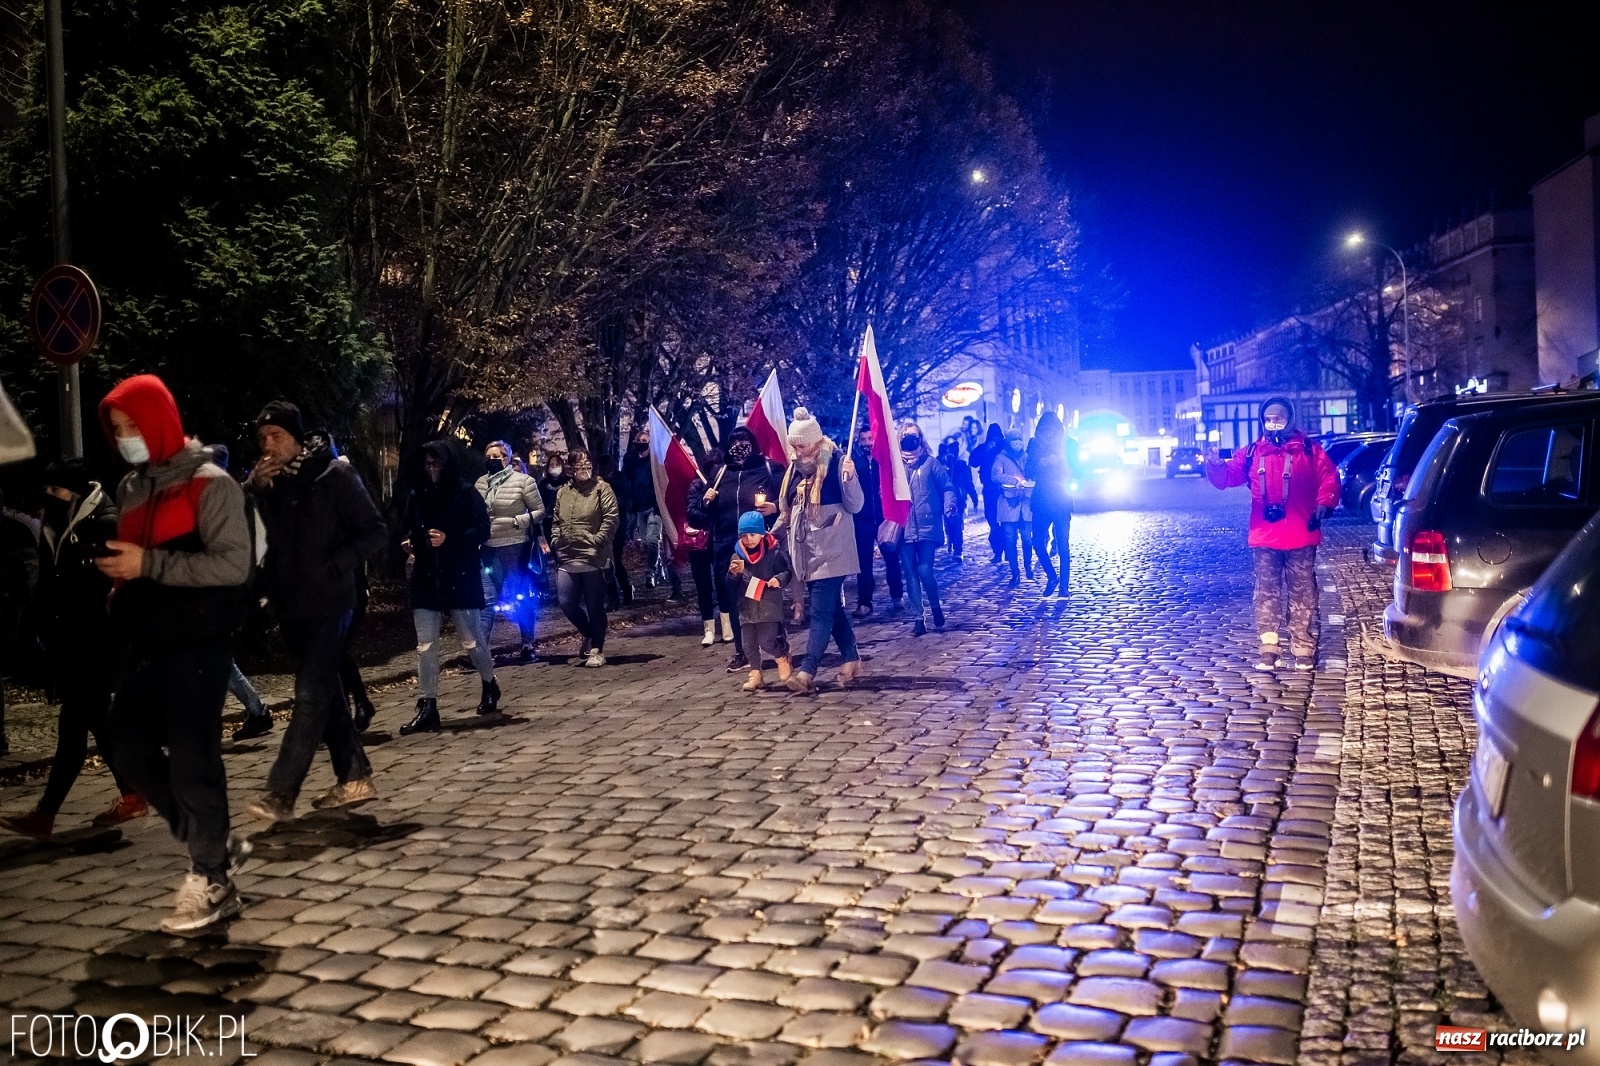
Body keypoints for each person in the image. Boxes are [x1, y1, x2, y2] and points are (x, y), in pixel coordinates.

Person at [95, 374, 253, 933]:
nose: (124, 438)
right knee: (126, 740)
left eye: (132, 426)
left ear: (159, 420)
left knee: (193, 761)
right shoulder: (132, 489)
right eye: (116, 430)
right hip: (148, 644)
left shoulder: (213, 485)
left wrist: (149, 565)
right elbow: (138, 562)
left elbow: (234, 566)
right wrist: (120, 582)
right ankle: (212, 841)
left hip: (200, 641)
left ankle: (212, 880)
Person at [243, 401, 386, 821]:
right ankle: (355, 776)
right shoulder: (267, 485)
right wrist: (256, 491)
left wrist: (333, 565)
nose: (268, 446)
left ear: (298, 439)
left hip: (330, 602)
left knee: (308, 696)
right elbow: (262, 541)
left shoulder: (334, 474)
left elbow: (375, 531)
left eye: (277, 437)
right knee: (325, 695)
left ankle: (281, 791)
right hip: (289, 605)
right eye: (262, 439)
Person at [0, 460, 147, 840]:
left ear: (76, 491)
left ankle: (45, 815)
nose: (49, 498)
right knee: (98, 721)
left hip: (99, 640)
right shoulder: (58, 526)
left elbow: (107, 584)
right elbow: (51, 583)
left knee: (73, 727)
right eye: (46, 491)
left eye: (56, 491)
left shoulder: (102, 522)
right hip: (75, 641)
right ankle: (134, 794)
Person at [1205, 396, 1341, 671]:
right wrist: (1216, 465)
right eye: (1269, 418)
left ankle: (1303, 646)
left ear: (1289, 418)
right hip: (1265, 536)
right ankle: (1269, 647)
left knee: (1303, 592)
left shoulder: (1309, 450)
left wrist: (1324, 503)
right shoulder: (1253, 452)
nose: (1274, 423)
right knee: (1266, 591)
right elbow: (1228, 478)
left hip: (1301, 533)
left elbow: (1329, 478)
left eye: (1279, 418)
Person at [400, 441, 500, 734]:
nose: (431, 470)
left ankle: (489, 682)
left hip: (459, 572)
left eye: (436, 464)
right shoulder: (417, 495)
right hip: (427, 575)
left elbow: (482, 529)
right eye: (427, 464)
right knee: (426, 645)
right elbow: (407, 527)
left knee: (471, 640)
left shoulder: (465, 492)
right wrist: (408, 541)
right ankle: (428, 704)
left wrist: (450, 537)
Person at [774, 407, 864, 693]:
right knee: (832, 610)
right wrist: (771, 530)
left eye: (801, 444)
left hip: (833, 550)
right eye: (794, 445)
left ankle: (808, 671)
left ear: (814, 440)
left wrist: (851, 479)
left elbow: (856, 505)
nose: (797, 450)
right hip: (807, 554)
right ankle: (851, 659)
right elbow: (789, 511)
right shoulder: (794, 470)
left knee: (821, 613)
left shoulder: (837, 462)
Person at [688, 426, 780, 671]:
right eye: (735, 441)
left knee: (764, 595)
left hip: (760, 548)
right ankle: (742, 651)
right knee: (735, 600)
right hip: (728, 547)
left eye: (744, 440)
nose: (740, 445)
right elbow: (697, 514)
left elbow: (790, 499)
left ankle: (776, 641)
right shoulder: (720, 473)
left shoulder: (767, 469)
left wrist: (774, 507)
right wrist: (705, 501)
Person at [476, 439, 544, 664]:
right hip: (488, 548)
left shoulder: (524, 481)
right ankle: (481, 652)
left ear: (507, 458)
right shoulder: (481, 483)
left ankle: (527, 645)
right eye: (489, 456)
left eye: (498, 456)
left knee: (520, 596)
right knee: (487, 599)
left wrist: (518, 521)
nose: (492, 460)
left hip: (515, 546)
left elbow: (539, 511)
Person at [551, 448, 620, 667]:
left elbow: (611, 518)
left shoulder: (602, 489)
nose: (584, 468)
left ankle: (597, 648)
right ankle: (588, 632)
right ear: (570, 469)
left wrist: (598, 540)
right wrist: (556, 541)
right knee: (566, 602)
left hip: (594, 556)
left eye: (587, 463)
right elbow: (555, 522)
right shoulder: (563, 492)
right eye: (578, 465)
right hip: (568, 555)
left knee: (594, 605)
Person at [897, 423, 957, 635]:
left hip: (928, 524)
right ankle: (918, 619)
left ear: (920, 438)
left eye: (913, 436)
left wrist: (949, 505)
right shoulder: (896, 466)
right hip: (903, 526)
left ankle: (935, 606)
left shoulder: (931, 463)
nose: (909, 439)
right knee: (910, 573)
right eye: (905, 436)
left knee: (924, 569)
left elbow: (947, 487)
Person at [726, 511, 793, 692]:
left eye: (753, 535)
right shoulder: (737, 556)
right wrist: (733, 575)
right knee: (748, 645)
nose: (748, 539)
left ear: (762, 533)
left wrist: (778, 579)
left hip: (768, 604)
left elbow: (787, 572)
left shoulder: (774, 552)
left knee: (767, 641)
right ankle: (756, 674)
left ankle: (781, 656)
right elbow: (730, 585)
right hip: (746, 606)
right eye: (744, 536)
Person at [849, 425, 902, 619]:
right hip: (862, 519)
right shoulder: (855, 463)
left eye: (869, 439)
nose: (866, 444)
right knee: (863, 563)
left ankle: (897, 595)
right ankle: (865, 602)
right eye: (863, 440)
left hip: (884, 517)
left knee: (891, 558)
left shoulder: (884, 461)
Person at [1026, 412, 1077, 598]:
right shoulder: (1035, 445)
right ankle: (1052, 577)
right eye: (1045, 431)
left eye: (1052, 430)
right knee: (1037, 542)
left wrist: (1061, 462)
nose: (1049, 434)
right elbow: (1028, 471)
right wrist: (1040, 463)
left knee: (1062, 545)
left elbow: (1078, 471)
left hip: (1062, 500)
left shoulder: (1068, 444)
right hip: (1041, 501)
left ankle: (1064, 587)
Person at [684, 448, 722, 647]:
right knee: (703, 586)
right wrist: (705, 501)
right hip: (699, 544)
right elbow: (691, 511)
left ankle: (728, 627)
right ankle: (708, 629)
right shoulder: (697, 484)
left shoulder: (727, 484)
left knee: (724, 584)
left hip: (721, 541)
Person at [992, 429, 1033, 587]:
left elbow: (1033, 472)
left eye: (1019, 439)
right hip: (1009, 504)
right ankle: (1015, 573)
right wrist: (1013, 480)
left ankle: (1028, 566)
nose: (1017, 443)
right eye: (1014, 440)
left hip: (1025, 504)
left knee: (1027, 539)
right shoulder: (1001, 458)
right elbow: (995, 475)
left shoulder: (1027, 457)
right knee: (1010, 540)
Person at [969, 423, 1007, 564]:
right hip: (989, 490)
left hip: (1004, 490)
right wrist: (985, 449)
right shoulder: (985, 447)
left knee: (1006, 522)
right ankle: (998, 551)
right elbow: (973, 461)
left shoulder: (1004, 447)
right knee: (992, 521)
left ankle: (1006, 550)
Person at [939, 438, 975, 564]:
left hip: (958, 499)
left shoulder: (961, 466)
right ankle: (951, 543)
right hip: (944, 499)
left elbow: (968, 483)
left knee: (956, 524)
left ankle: (958, 550)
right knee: (949, 525)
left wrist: (974, 498)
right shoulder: (940, 466)